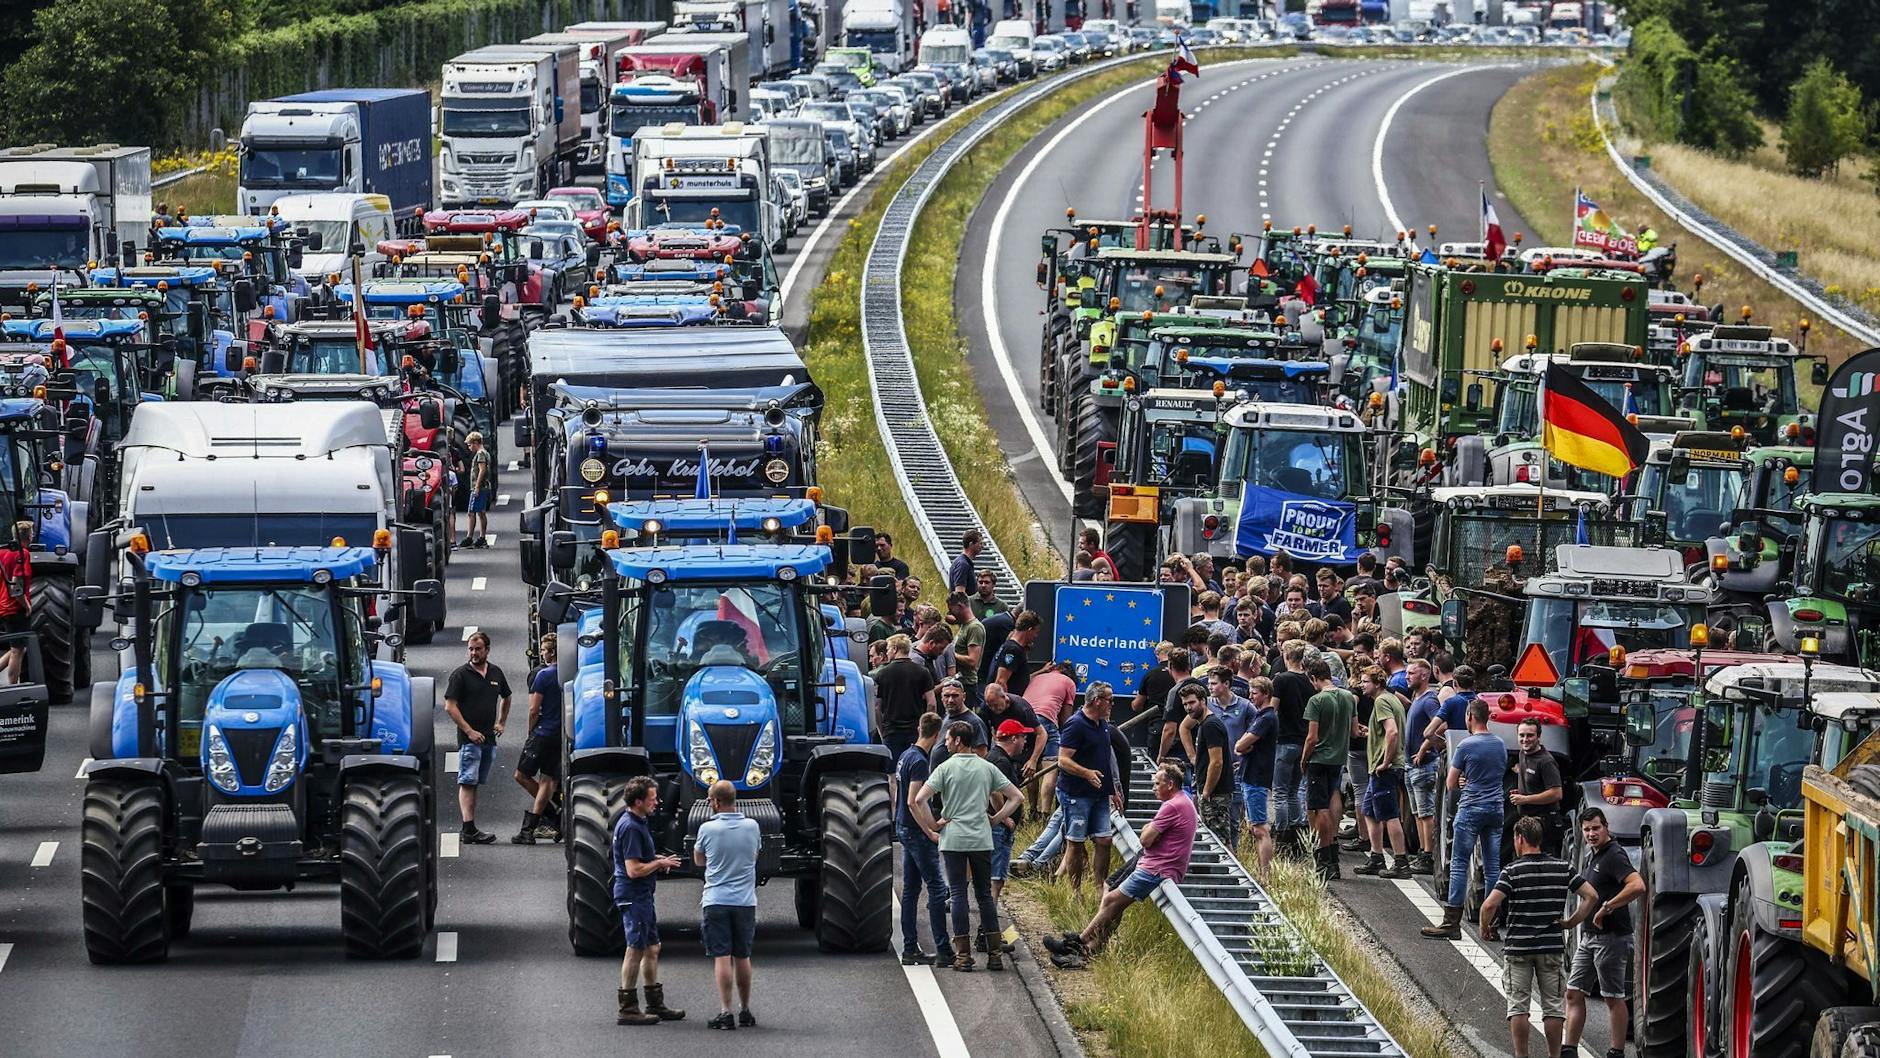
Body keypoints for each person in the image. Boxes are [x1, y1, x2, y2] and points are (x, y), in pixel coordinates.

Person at [1043, 763, 1196, 969]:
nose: (1153, 788)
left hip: (1157, 867)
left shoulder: (1171, 806)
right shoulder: (1181, 801)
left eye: (1157, 784)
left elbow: (1145, 840)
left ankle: (1077, 944)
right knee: (1114, 901)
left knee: (1111, 900)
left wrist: (1149, 830)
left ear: (1170, 784)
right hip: (1161, 863)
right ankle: (1087, 950)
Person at [910, 721, 1023, 972]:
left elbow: (919, 799)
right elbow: (1017, 796)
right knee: (984, 895)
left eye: (948, 739)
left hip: (954, 838)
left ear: (958, 740)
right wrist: (996, 818)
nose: (946, 743)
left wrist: (934, 825)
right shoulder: (987, 767)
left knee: (959, 893)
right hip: (981, 837)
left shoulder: (945, 768)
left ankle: (963, 956)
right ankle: (994, 954)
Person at [1480, 816, 1587, 1058]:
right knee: (1553, 1008)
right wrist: (1572, 922)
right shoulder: (1563, 868)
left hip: (1518, 948)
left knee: (1518, 1007)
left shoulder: (1512, 871)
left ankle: (1522, 1055)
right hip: (1551, 946)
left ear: (1520, 839)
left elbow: (1489, 905)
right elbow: (1590, 895)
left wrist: (1484, 927)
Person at [1561, 808, 1645, 1058]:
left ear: (1606, 826)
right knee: (1574, 992)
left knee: (1612, 997)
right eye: (1586, 830)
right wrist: (1572, 922)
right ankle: (1569, 1050)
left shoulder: (1614, 855)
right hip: (1589, 938)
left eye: (1596, 828)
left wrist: (1608, 906)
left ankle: (1616, 1052)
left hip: (1611, 938)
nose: (1591, 834)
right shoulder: (1592, 855)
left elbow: (1637, 885)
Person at [1424, 698, 1507, 939]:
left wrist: (1464, 782)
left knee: (1459, 862)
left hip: (1471, 808)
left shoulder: (1465, 746)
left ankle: (1451, 923)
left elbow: (1451, 783)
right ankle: (1490, 923)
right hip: (1495, 809)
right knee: (1492, 867)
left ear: (1469, 716)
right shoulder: (1500, 744)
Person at [612, 776, 685, 1026]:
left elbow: (637, 857)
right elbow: (633, 870)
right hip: (634, 895)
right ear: (639, 801)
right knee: (635, 949)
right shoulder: (631, 827)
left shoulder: (637, 821)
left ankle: (655, 1003)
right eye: (652, 798)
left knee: (652, 947)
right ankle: (628, 1008)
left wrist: (655, 858)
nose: (657, 802)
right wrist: (659, 863)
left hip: (642, 895)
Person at [694, 779, 762, 1030]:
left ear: (716, 801)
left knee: (722, 957)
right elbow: (755, 855)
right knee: (743, 956)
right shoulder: (753, 826)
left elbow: (699, 861)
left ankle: (726, 1011)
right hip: (745, 901)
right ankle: (745, 1010)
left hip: (716, 900)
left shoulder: (707, 829)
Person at [895, 713, 953, 966]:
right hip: (915, 831)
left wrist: (932, 822)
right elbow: (914, 800)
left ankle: (910, 947)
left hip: (903, 827)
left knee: (911, 889)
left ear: (919, 728)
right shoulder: (920, 761)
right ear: (938, 734)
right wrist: (930, 830)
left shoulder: (906, 755)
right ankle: (944, 949)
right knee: (938, 889)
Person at [445, 631, 511, 845]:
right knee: (468, 781)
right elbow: (450, 706)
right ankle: (468, 828)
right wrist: (468, 731)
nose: (474, 653)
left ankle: (471, 828)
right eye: (471, 649)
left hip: (489, 738)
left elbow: (507, 696)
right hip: (470, 740)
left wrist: (501, 722)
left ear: (487, 650)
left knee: (477, 781)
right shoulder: (460, 675)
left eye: (478, 649)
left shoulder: (495, 673)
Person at [1057, 681, 1121, 895]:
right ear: (1096, 701)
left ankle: (1098, 886)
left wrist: (1113, 788)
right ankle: (1075, 891)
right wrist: (1086, 773)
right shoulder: (1076, 724)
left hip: (1100, 793)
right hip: (1077, 793)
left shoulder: (1102, 723)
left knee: (1104, 840)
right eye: (1109, 700)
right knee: (1075, 842)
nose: (1113, 704)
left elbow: (1105, 757)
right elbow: (1063, 760)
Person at [1299, 657, 1355, 880]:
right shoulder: (1348, 697)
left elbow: (1312, 737)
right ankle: (1333, 852)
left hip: (1319, 759)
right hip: (1339, 758)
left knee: (1317, 807)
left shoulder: (1316, 700)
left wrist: (1304, 759)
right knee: (1333, 800)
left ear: (1313, 678)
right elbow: (1353, 730)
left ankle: (1323, 857)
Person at [1354, 667, 1412, 878]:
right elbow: (1387, 730)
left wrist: (1385, 762)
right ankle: (1376, 856)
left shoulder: (1381, 702)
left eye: (1365, 681)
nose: (1362, 685)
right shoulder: (1392, 699)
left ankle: (1400, 861)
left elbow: (1392, 731)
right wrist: (1370, 733)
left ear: (1377, 683)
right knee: (1369, 811)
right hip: (1381, 766)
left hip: (1385, 767)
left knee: (1389, 814)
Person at [511, 632, 563, 844]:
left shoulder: (544, 676)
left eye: (544, 650)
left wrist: (530, 732)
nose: (542, 654)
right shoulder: (570, 673)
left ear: (552, 652)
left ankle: (550, 815)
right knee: (547, 779)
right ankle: (530, 830)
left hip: (543, 732)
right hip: (560, 734)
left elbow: (534, 709)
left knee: (521, 775)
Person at [1269, 640, 1314, 846]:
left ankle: (1282, 833)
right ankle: (1298, 831)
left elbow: (1273, 710)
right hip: (1303, 739)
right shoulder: (1308, 682)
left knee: (1279, 791)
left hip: (1284, 738)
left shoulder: (1281, 680)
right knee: (1294, 790)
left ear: (1286, 656)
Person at [1402, 658, 1442, 875]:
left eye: (1411, 673)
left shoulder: (1429, 701)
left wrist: (1425, 747)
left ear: (1424, 675)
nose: (1407, 676)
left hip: (1424, 765)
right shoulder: (1416, 697)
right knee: (1418, 812)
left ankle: (1429, 854)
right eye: (1407, 673)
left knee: (1426, 812)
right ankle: (1421, 850)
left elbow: (1440, 724)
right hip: (1411, 765)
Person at [1236, 676, 1279, 870]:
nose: (1251, 696)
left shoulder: (1266, 718)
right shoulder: (1260, 715)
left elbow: (1241, 744)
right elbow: (1242, 746)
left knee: (1260, 828)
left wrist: (1243, 746)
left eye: (1254, 693)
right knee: (1254, 826)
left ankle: (1265, 872)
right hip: (1250, 774)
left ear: (1266, 694)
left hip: (1256, 777)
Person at [1022, 659, 1077, 810]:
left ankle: (1032, 809)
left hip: (1024, 719)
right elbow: (1066, 719)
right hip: (1046, 719)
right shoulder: (1068, 682)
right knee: (1050, 768)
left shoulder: (1036, 678)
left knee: (1030, 765)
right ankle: (1044, 813)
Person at [874, 634, 935, 762]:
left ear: (895, 649)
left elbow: (877, 707)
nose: (887, 653)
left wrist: (882, 731)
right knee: (916, 770)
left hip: (891, 731)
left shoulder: (882, 674)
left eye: (888, 649)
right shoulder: (923, 672)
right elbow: (932, 703)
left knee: (892, 775)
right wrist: (926, 729)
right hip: (915, 731)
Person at [987, 719, 1029, 900]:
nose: (1025, 741)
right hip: (999, 829)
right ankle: (988, 922)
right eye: (1022, 737)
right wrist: (1003, 818)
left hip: (997, 828)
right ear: (1013, 739)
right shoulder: (1001, 761)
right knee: (996, 878)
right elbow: (994, 791)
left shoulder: (995, 757)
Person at [1184, 683, 1233, 838]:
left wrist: (1206, 792)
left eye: (1192, 702)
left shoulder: (1211, 725)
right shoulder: (1203, 725)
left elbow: (1217, 762)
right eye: (1185, 704)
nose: (1188, 707)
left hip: (1216, 793)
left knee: (1220, 840)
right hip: (1209, 790)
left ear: (1203, 701)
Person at [1512, 718, 1565, 854]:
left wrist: (1525, 799)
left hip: (1545, 823)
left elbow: (1557, 793)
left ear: (1539, 737)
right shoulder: (1523, 753)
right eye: (1522, 735)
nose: (1525, 739)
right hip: (1528, 821)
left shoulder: (1546, 762)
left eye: (1530, 735)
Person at [928, 679, 986, 771]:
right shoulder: (947, 716)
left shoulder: (974, 722)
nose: (950, 700)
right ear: (942, 698)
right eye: (947, 696)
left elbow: (981, 753)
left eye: (955, 696)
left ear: (964, 697)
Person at [0, 520, 32, 684]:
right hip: (14, 608)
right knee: (17, 651)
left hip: (2, 606)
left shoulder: (3, 553)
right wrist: (26, 605)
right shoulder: (22, 553)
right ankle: (12, 687)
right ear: (29, 536)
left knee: (19, 647)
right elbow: (16, 585)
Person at [947, 591, 987, 706]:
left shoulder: (974, 628)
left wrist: (949, 654)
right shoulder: (964, 625)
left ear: (960, 606)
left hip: (967, 685)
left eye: (951, 609)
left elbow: (972, 661)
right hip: (959, 682)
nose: (951, 613)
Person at [990, 610, 1040, 694]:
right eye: (1036, 632)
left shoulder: (1009, 646)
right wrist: (1006, 704)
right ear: (1030, 629)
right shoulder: (1012, 650)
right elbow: (1000, 682)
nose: (1036, 636)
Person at [462, 431, 493, 549]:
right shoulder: (485, 453)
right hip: (483, 487)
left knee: (471, 512)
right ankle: (481, 537)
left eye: (470, 445)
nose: (469, 448)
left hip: (479, 487)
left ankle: (470, 537)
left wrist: (477, 487)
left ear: (475, 443)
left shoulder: (480, 454)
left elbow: (482, 470)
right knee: (480, 512)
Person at [948, 529, 983, 594]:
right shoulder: (963, 564)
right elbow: (960, 593)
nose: (982, 546)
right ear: (971, 544)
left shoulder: (965, 563)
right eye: (980, 543)